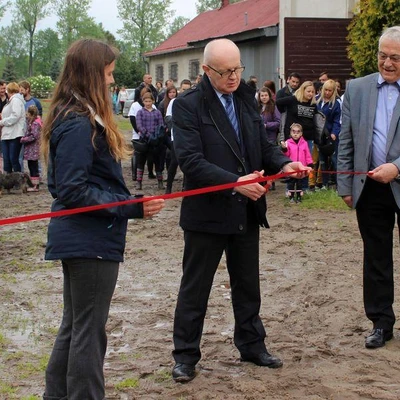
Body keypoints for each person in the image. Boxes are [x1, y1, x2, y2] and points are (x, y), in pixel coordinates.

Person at [171, 38, 310, 383]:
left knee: (247, 284)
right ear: (206, 70)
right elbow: (190, 161)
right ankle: (185, 355)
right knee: (195, 286)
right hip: (207, 213)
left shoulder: (245, 98)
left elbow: (261, 146)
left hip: (247, 209)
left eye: (238, 69)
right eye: (226, 72)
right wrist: (234, 181)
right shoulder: (188, 105)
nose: (234, 77)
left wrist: (285, 162)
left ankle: (251, 343)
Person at [41, 39, 164, 400]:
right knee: (88, 332)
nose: (112, 82)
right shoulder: (78, 123)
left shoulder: (74, 115)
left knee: (76, 326)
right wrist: (131, 207)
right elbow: (72, 191)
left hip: (83, 238)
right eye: (109, 74)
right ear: (92, 75)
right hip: (89, 240)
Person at [337, 26, 400, 350]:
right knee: (376, 257)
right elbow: (346, 138)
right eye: (383, 56)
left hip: (399, 178)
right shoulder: (357, 89)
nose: (387, 63)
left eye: (395, 58)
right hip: (370, 187)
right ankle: (381, 322)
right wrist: (345, 184)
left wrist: (397, 167)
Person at [135, 92, 165, 190]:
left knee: (157, 161)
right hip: (144, 140)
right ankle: (139, 182)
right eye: (146, 101)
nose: (148, 103)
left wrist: (156, 136)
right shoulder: (140, 112)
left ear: (153, 101)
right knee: (141, 161)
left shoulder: (157, 112)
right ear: (143, 102)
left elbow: (161, 125)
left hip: (156, 141)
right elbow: (139, 125)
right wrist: (147, 135)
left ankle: (160, 181)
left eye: (149, 101)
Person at [316, 79, 341, 188]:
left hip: (331, 136)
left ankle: (337, 184)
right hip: (319, 136)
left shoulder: (337, 103)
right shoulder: (316, 100)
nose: (327, 93)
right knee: (322, 161)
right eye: (325, 90)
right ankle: (324, 184)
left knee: (335, 161)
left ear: (334, 91)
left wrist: (334, 133)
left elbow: (338, 120)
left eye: (330, 90)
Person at [281, 123, 313, 203]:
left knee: (299, 183)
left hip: (301, 168)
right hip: (291, 168)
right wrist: (284, 149)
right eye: (293, 132)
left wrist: (309, 164)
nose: (295, 134)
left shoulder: (304, 143)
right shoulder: (288, 142)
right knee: (291, 183)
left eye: (298, 132)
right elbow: (286, 155)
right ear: (290, 133)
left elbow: (307, 154)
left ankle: (299, 197)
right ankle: (291, 197)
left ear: (301, 133)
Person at [0, 82, 25, 173]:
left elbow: (15, 116)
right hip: (7, 134)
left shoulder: (16, 101)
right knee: (7, 160)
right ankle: (8, 180)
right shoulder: (11, 101)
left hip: (14, 134)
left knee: (13, 159)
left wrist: (2, 122)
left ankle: (18, 179)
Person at [20, 105, 42, 191]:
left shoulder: (35, 123)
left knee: (33, 167)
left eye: (27, 113)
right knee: (31, 165)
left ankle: (35, 185)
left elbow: (34, 136)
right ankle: (33, 184)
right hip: (31, 149)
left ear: (31, 113)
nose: (26, 115)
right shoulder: (32, 122)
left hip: (33, 149)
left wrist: (23, 139)